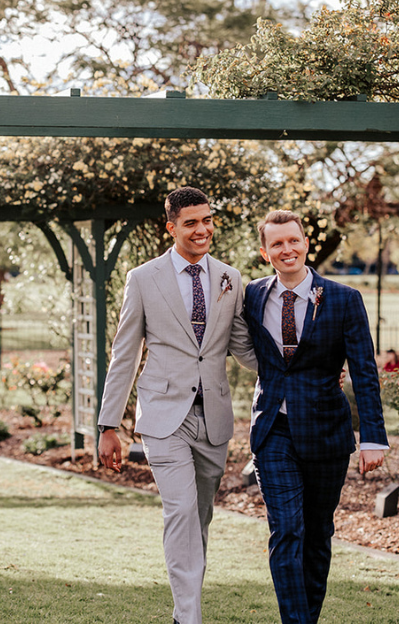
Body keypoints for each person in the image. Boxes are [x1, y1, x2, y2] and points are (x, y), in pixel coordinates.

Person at [97, 186, 257, 624]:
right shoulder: (144, 278)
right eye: (191, 223)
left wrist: (303, 367)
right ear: (171, 228)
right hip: (164, 417)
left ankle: (183, 608)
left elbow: (243, 347)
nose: (202, 229)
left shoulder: (230, 277)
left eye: (207, 220)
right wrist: (109, 424)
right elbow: (125, 353)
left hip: (214, 419)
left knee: (199, 517)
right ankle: (189, 618)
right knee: (182, 510)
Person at [242, 210, 389, 624]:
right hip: (273, 431)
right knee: (286, 529)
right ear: (264, 251)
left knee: (317, 534)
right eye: (276, 244)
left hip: (327, 432)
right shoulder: (252, 295)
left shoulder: (344, 299)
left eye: (293, 241)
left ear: (306, 243)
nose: (286, 249)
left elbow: (363, 370)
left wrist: (373, 437)